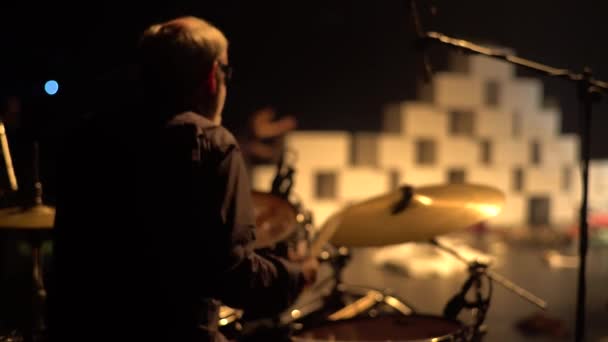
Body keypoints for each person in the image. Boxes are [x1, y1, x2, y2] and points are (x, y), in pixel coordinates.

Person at [48, 16, 318, 342]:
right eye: (226, 72)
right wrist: (296, 275)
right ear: (212, 77)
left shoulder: (86, 137)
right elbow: (232, 276)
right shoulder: (210, 144)